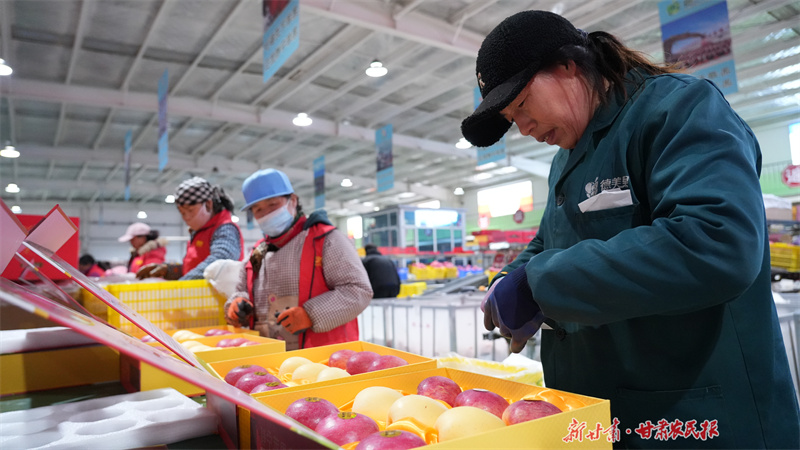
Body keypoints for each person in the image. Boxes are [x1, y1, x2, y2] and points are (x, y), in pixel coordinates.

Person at [462, 10, 799, 449]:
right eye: (511, 118)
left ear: (569, 65)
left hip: (697, 415)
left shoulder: (678, 109)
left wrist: (541, 283)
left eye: (522, 105)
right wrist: (512, 277)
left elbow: (716, 241)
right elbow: (551, 239)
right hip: (601, 415)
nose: (522, 129)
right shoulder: (564, 160)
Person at [224, 168, 371, 350]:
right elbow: (241, 291)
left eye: (272, 205)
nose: (266, 214)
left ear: (292, 201)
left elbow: (358, 290)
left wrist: (311, 314)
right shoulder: (257, 253)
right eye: (258, 210)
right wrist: (237, 304)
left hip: (323, 359)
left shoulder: (327, 240)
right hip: (270, 359)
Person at [137, 177, 244, 280]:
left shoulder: (225, 228)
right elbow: (195, 267)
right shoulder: (200, 232)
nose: (186, 217)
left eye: (191, 210)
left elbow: (220, 263)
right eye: (182, 213)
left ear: (208, 204)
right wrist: (168, 270)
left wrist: (182, 286)